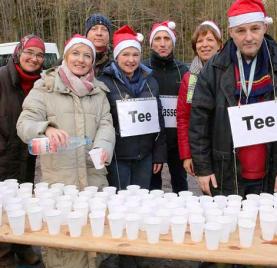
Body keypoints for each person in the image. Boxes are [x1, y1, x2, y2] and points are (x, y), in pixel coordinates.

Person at [17, 34, 115, 268]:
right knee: (63, 242)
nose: (81, 60)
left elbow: (105, 124)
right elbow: (24, 124)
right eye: (76, 53)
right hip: (60, 183)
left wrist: (103, 146)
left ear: (93, 61)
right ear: (66, 56)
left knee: (94, 236)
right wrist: (46, 128)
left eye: (87, 56)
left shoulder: (99, 92)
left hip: (93, 179)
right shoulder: (45, 87)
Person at [189, 0, 277, 197]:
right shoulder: (213, 69)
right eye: (240, 31)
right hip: (225, 170)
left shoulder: (275, 64)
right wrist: (203, 169)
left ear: (265, 27)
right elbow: (199, 123)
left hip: (269, 170)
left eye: (255, 29)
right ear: (230, 32)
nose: (248, 37)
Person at [99, 25, 167, 190]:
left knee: (141, 200)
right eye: (126, 54)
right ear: (117, 56)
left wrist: (158, 155)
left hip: (144, 155)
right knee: (119, 200)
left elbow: (159, 120)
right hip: (118, 156)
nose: (131, 60)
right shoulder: (104, 82)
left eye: (136, 55)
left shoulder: (150, 82)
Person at [0, 34, 45, 267]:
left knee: (23, 202)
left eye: (39, 55)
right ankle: (4, 256)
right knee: (2, 209)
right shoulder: (2, 78)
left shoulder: (40, 84)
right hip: (3, 153)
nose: (34, 58)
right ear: (18, 52)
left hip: (26, 155)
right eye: (29, 52)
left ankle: (23, 246)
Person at [144, 20, 189, 193]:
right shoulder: (143, 69)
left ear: (173, 42)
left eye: (166, 38)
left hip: (177, 140)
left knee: (181, 185)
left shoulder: (183, 70)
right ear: (151, 43)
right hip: (152, 141)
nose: (162, 43)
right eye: (157, 39)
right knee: (153, 187)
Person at [177, 21, 222, 178]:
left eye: (210, 40)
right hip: (201, 149)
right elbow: (183, 118)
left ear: (219, 45)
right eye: (200, 41)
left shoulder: (230, 73)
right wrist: (187, 154)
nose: (204, 45)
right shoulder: (189, 79)